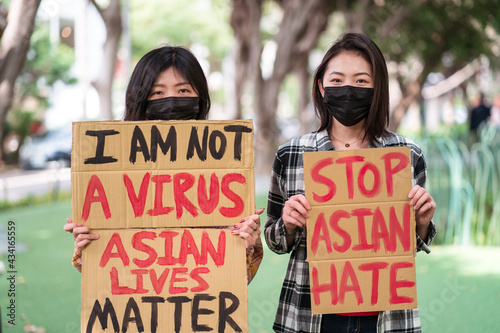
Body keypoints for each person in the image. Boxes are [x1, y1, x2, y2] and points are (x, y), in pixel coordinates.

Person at [264, 33, 437, 333]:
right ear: (321, 86)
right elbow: (274, 240)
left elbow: (411, 245)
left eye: (360, 81)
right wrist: (288, 224)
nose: (347, 90)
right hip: (310, 313)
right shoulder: (290, 154)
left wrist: (421, 222)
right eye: (337, 80)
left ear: (376, 87)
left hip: (385, 316)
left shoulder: (406, 156)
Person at [64, 46, 264, 284]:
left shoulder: (223, 172)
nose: (171, 101)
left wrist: (245, 245)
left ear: (199, 98)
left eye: (183, 90)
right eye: (158, 93)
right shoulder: (114, 169)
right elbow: (100, 277)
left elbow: (242, 279)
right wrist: (86, 246)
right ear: (140, 97)